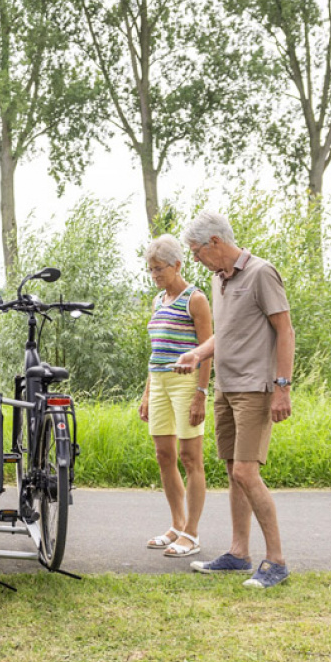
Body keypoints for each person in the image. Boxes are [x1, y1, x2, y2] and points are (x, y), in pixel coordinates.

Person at [174, 210, 295, 589]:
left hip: (255, 389)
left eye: (196, 251)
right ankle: (238, 553)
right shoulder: (217, 280)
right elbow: (225, 335)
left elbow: (285, 330)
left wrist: (282, 387)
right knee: (232, 472)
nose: (195, 259)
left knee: (246, 472)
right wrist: (199, 354)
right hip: (226, 388)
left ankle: (276, 561)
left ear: (215, 243)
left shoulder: (261, 272)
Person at [138, 235, 212, 558]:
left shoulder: (195, 299)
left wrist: (201, 394)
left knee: (190, 458)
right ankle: (177, 524)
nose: (155, 275)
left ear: (178, 265)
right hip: (159, 383)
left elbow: (208, 351)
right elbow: (156, 352)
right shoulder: (158, 301)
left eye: (159, 269)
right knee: (164, 456)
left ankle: (192, 534)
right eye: (150, 270)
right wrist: (146, 394)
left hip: (186, 384)